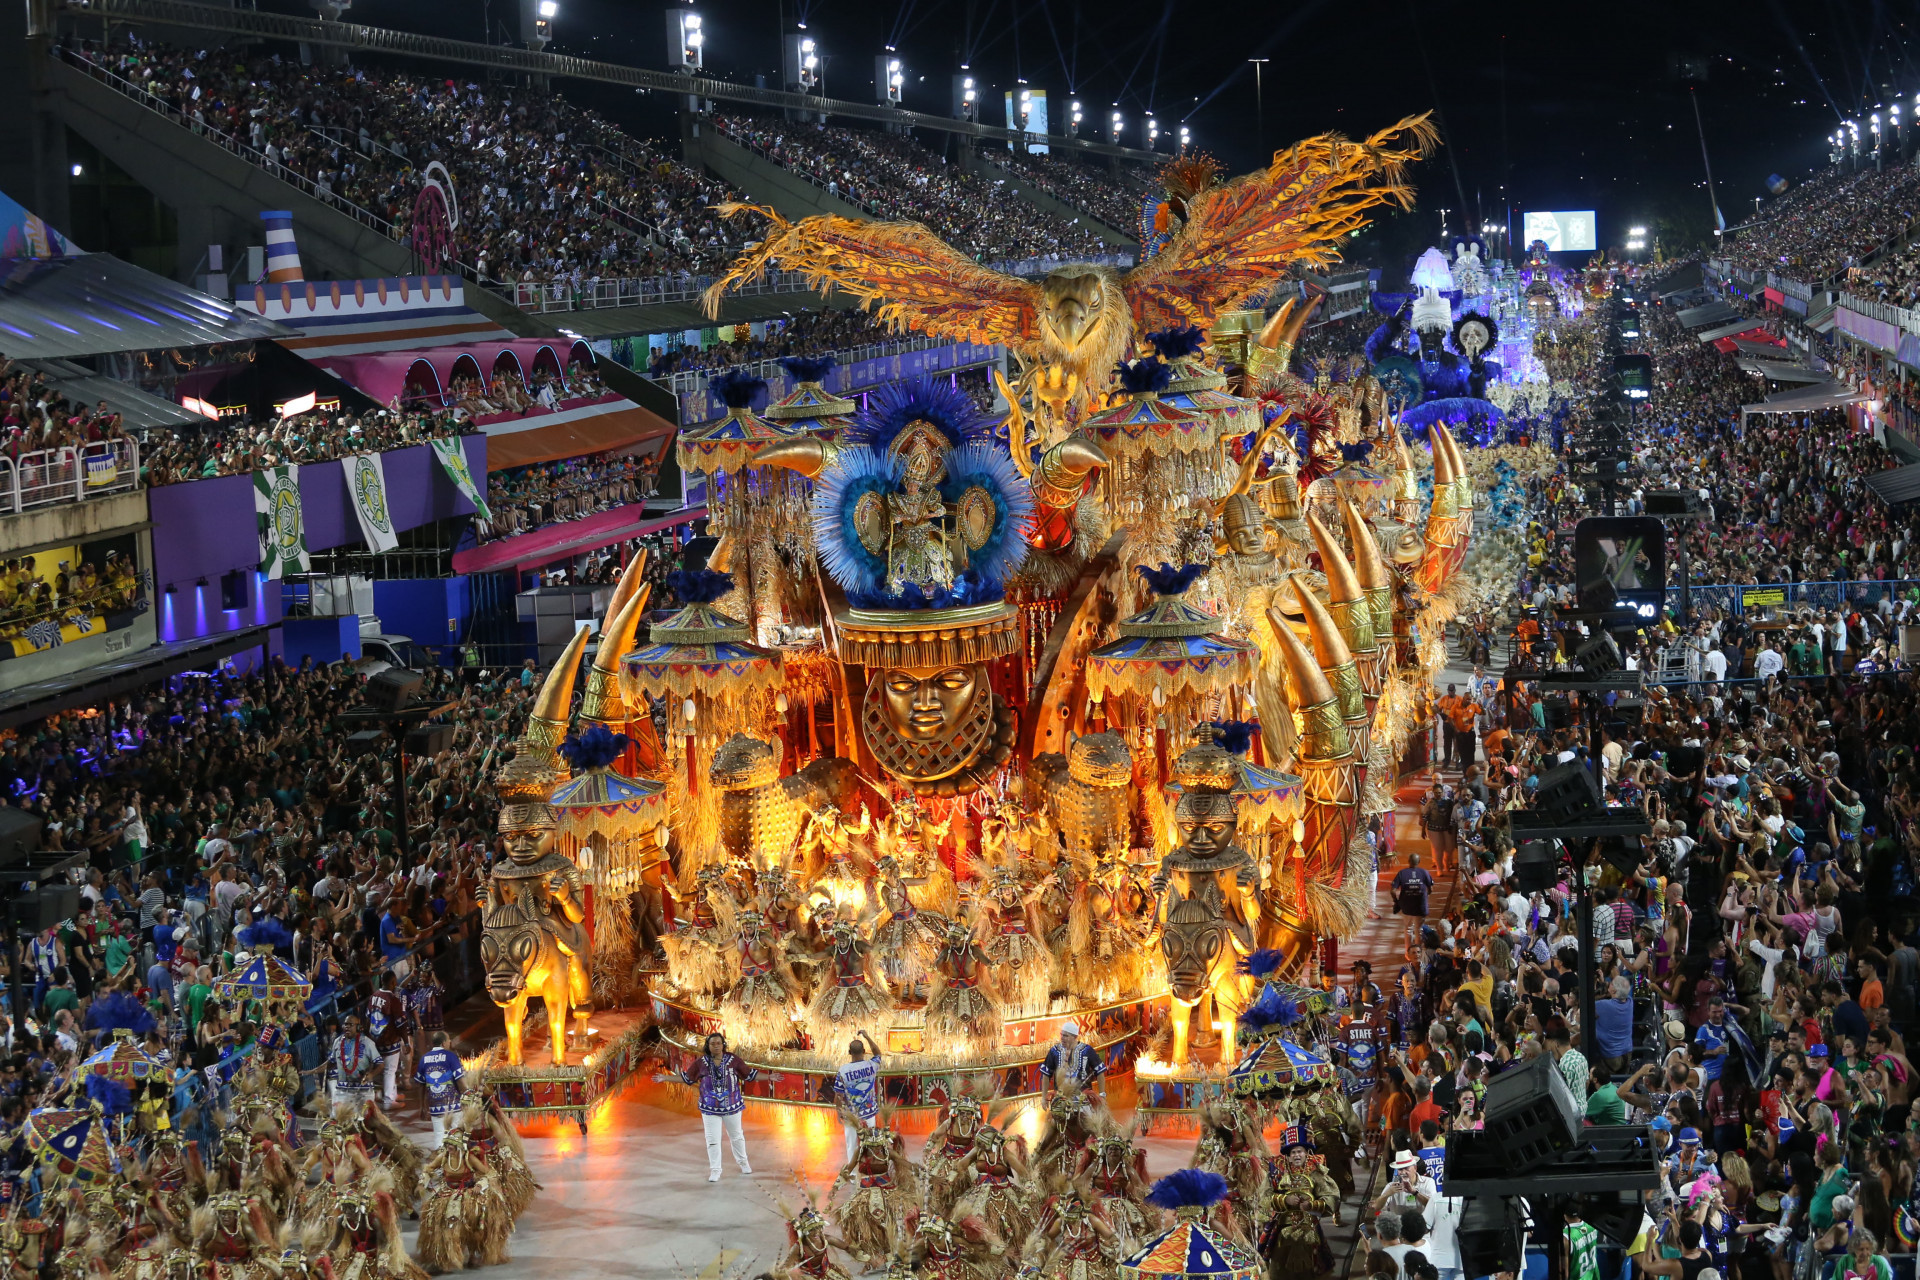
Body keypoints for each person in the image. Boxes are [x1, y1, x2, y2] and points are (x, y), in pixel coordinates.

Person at [670, 1032, 756, 1183]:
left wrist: (769, 1077)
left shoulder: (733, 1060)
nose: (716, 1046)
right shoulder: (701, 1062)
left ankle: (743, 1162)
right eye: (712, 1043)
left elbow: (748, 1075)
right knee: (712, 1140)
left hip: (732, 1106)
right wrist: (665, 1078)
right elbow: (688, 1078)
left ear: (723, 1045)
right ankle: (715, 1170)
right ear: (707, 1046)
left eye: (718, 1043)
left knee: (736, 1136)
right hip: (709, 1108)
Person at [833, 1029, 882, 1161]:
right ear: (864, 1051)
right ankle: (871, 1168)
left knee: (851, 1145)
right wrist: (867, 1036)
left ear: (849, 1053)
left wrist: (839, 1112)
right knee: (872, 1143)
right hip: (869, 1112)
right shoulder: (871, 1066)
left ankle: (854, 1174)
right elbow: (878, 1053)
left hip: (851, 1115)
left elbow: (838, 1095)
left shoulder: (843, 1071)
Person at [365, 968, 410, 1109]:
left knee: (388, 1070)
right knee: (390, 1070)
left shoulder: (374, 996)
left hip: (376, 1040)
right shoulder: (392, 999)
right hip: (390, 1040)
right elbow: (401, 1024)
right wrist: (406, 1042)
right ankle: (388, 1100)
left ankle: (392, 1093)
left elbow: (367, 1018)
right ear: (392, 982)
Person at [414, 1029, 466, 1146]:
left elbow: (420, 1085)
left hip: (435, 1106)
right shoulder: (451, 1057)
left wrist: (422, 1106)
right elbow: (460, 1080)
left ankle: (440, 1161)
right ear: (443, 1043)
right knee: (456, 1136)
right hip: (454, 1106)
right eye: (448, 1040)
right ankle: (455, 1162)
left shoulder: (424, 1059)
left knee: (439, 1136)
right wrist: (469, 1094)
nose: (450, 1042)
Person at [330, 1011, 382, 1109]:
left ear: (358, 1027)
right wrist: (312, 1071)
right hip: (343, 1089)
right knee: (340, 1119)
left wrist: (371, 1074)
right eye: (346, 1024)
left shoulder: (367, 1043)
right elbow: (330, 1062)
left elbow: (380, 1064)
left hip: (363, 1090)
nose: (347, 1027)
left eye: (351, 1025)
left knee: (364, 1120)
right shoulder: (337, 1042)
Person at [1041, 1021, 1105, 1100]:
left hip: (1084, 1101)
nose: (1062, 1038)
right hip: (1060, 1102)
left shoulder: (1087, 1050)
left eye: (1065, 1036)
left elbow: (1099, 1071)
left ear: (1074, 1037)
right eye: (1061, 1035)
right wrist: (1044, 1097)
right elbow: (1046, 1074)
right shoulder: (1055, 1051)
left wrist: (1102, 1095)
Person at [1392, 853, 1435, 919]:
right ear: (1419, 862)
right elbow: (1431, 889)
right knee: (1419, 928)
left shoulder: (1402, 873)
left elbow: (1392, 891)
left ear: (1408, 861)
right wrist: (1424, 896)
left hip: (1406, 908)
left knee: (1408, 928)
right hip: (1421, 907)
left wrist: (1396, 901)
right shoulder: (1424, 872)